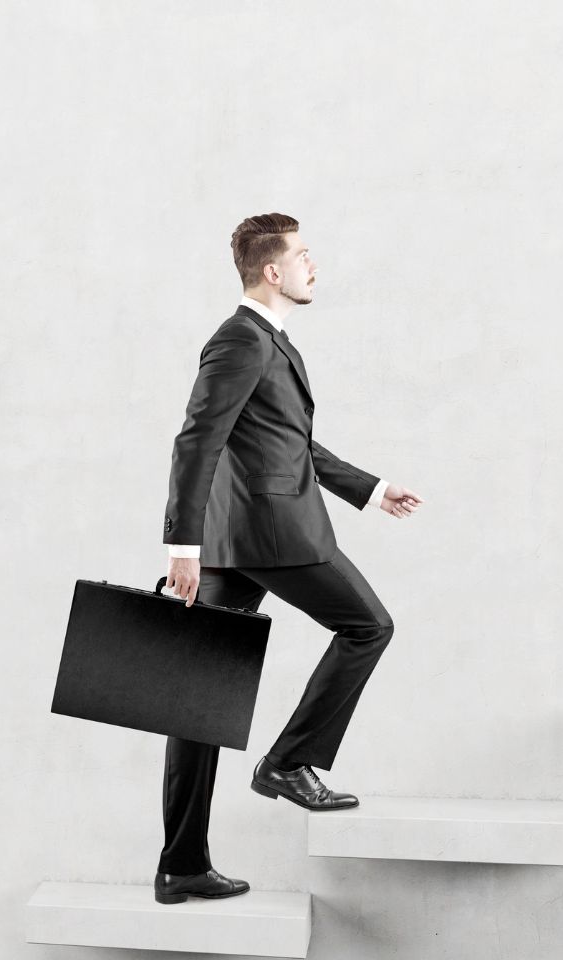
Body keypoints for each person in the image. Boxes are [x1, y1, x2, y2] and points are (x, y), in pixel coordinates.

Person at [151, 212, 424, 905]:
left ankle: (181, 865)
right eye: (303, 255)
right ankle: (289, 762)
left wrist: (371, 489)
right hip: (272, 535)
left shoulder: (267, 340)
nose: (313, 264)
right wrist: (182, 546)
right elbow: (196, 440)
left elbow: (288, 442)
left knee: (200, 701)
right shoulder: (240, 340)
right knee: (368, 626)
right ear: (272, 271)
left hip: (240, 540)